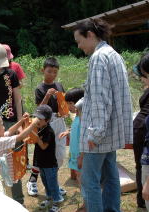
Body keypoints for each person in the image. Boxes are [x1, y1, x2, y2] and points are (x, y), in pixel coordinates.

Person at [73, 19, 133, 212]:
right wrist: (82, 103)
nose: (79, 46)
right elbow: (103, 93)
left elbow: (101, 98)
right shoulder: (113, 54)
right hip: (111, 132)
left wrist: (95, 133)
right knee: (111, 177)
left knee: (90, 182)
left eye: (79, 41)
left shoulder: (98, 57)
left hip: (99, 135)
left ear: (90, 34)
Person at [27, 57, 66, 197]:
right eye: (49, 71)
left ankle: (53, 183)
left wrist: (65, 111)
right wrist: (47, 96)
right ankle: (32, 180)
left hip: (59, 121)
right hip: (44, 122)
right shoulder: (40, 88)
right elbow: (39, 109)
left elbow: (63, 104)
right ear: (43, 70)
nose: (52, 74)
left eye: (55, 72)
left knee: (59, 152)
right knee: (43, 151)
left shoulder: (59, 85)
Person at [0, 112, 38, 204]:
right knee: (7, 198)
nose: (4, 127)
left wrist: (21, 121)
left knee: (6, 197)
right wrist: (33, 125)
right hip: (4, 177)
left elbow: (10, 131)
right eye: (2, 125)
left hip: (3, 175)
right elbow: (21, 136)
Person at [31, 105, 65, 212]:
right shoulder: (40, 128)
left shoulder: (49, 131)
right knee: (45, 182)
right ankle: (49, 198)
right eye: (37, 118)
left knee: (52, 183)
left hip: (50, 164)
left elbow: (44, 146)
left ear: (48, 120)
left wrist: (36, 138)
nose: (37, 121)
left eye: (40, 119)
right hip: (42, 163)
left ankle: (57, 200)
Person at [59, 88, 85, 212]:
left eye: (71, 103)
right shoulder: (77, 116)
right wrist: (68, 132)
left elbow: (84, 138)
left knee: (83, 180)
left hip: (81, 155)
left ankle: (87, 205)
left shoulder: (83, 118)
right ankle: (86, 204)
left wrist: (81, 156)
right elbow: (76, 129)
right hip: (76, 154)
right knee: (80, 179)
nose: (68, 106)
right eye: (67, 103)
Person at [133, 52, 149, 208]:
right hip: (141, 130)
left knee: (142, 166)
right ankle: (142, 200)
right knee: (141, 166)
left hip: (142, 130)